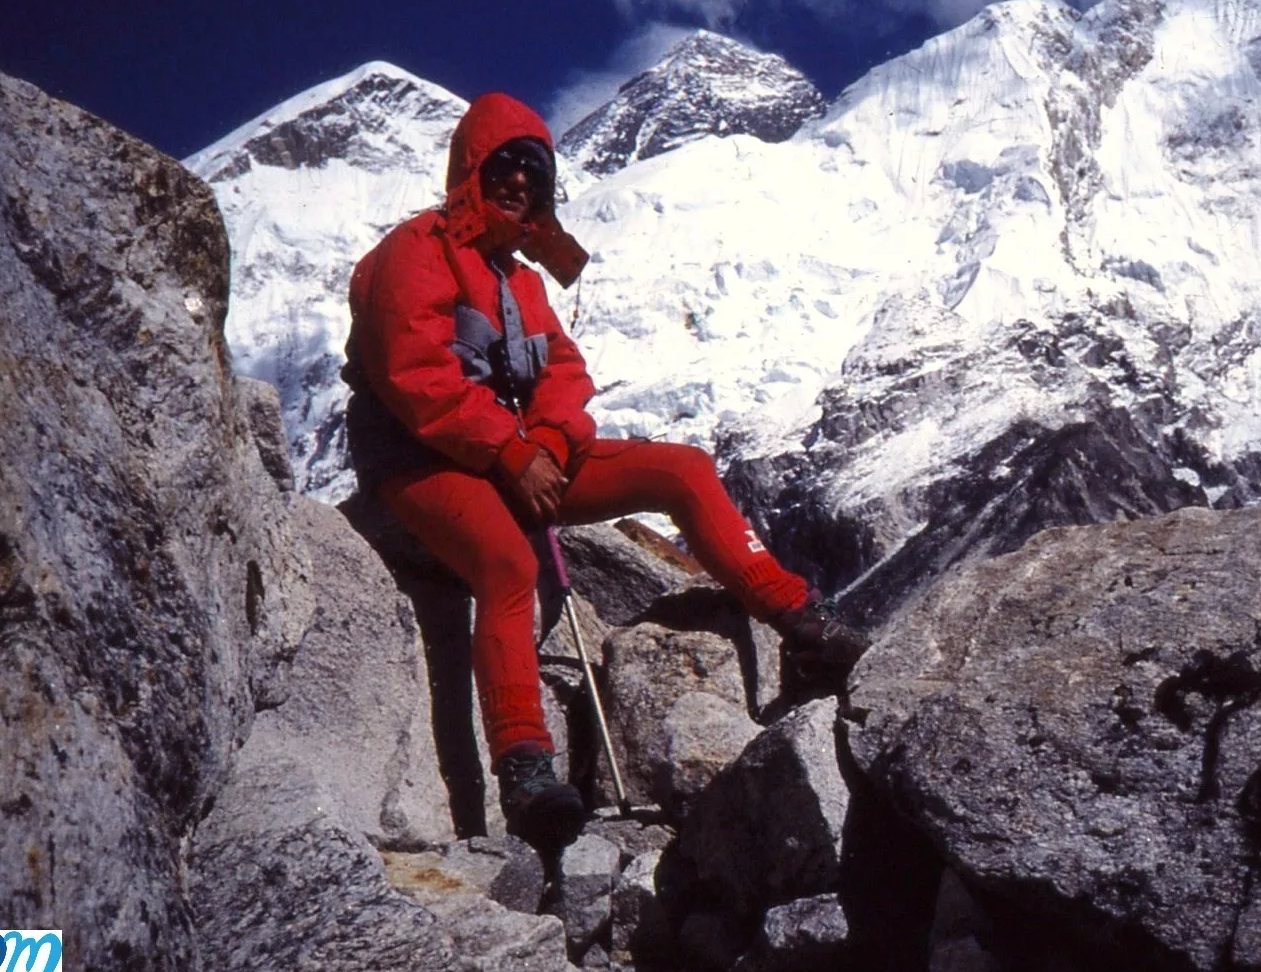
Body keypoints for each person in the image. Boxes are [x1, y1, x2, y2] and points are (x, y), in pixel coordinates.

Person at [342, 93, 868, 851]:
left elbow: (563, 372)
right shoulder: (415, 250)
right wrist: (511, 452)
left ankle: (801, 621)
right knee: (504, 561)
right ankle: (524, 766)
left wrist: (549, 444)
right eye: (506, 165)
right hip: (421, 456)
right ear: (470, 169)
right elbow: (413, 372)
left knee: (681, 470)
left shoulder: (520, 281)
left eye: (536, 170)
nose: (521, 181)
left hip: (516, 456)